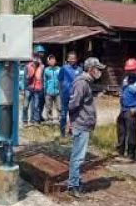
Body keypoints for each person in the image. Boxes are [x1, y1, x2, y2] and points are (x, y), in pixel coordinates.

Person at [67, 56, 106, 198]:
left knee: (78, 156)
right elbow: (73, 104)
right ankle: (73, 185)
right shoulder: (82, 83)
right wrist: (71, 121)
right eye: (98, 69)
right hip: (81, 124)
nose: (99, 72)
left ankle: (75, 181)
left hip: (83, 123)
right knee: (78, 156)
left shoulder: (86, 82)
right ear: (90, 69)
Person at [58, 51, 82, 137]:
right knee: (63, 114)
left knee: (74, 115)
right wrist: (60, 93)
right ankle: (62, 133)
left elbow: (81, 83)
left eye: (73, 58)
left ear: (76, 59)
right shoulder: (63, 68)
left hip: (75, 96)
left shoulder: (79, 69)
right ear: (67, 59)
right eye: (70, 58)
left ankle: (72, 132)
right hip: (65, 95)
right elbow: (60, 81)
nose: (72, 60)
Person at [22, 47, 45, 126]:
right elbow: (24, 78)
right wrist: (23, 89)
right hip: (29, 88)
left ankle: (35, 121)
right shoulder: (28, 66)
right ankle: (25, 120)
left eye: (38, 58)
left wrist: (42, 87)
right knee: (25, 105)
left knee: (36, 106)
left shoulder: (42, 67)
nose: (37, 59)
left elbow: (42, 78)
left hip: (38, 89)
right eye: (35, 57)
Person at [42, 54, 61, 122]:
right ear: (48, 62)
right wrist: (44, 90)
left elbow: (62, 79)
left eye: (54, 59)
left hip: (58, 91)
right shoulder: (46, 70)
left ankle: (60, 119)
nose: (52, 61)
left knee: (59, 107)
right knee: (48, 107)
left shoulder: (59, 69)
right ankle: (49, 120)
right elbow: (44, 81)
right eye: (51, 60)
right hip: (48, 91)